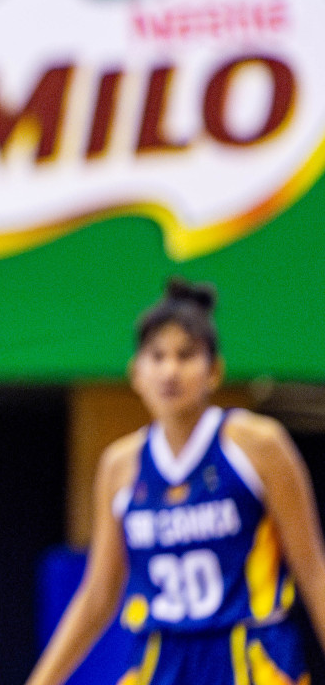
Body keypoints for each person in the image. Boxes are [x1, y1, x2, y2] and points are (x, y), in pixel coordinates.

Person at [25, 278, 325, 685]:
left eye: (186, 356)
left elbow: (314, 573)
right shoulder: (120, 465)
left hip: (250, 654)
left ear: (214, 371)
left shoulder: (258, 444)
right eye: (157, 356)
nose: (170, 370)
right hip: (160, 655)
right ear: (136, 372)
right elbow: (97, 598)